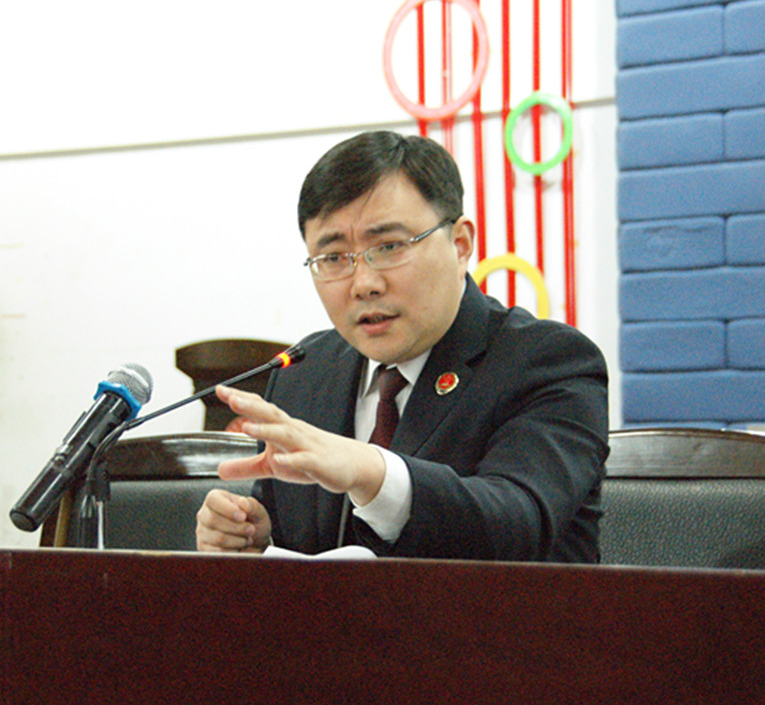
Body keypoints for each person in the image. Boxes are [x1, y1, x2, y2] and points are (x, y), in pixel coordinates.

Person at [196, 130, 608, 561]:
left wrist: (373, 473)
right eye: (333, 258)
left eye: (389, 247)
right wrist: (255, 534)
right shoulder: (304, 372)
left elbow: (518, 520)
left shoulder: (549, 361)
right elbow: (299, 541)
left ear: (460, 245)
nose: (364, 284)